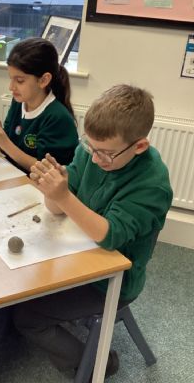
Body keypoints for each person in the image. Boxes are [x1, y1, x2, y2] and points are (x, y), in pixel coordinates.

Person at [12, 84, 173, 378]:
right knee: (16, 284)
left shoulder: (152, 185)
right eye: (91, 147)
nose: (96, 159)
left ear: (139, 146)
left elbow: (109, 236)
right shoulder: (93, 151)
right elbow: (57, 208)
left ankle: (101, 363)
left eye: (106, 154)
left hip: (112, 281)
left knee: (27, 316)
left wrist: (63, 196)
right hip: (79, 253)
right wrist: (53, 188)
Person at [0, 37, 79, 173]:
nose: (11, 87)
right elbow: (11, 151)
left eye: (19, 81)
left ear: (44, 80)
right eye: (11, 79)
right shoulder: (19, 102)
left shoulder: (57, 117)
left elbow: (47, 171)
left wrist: (4, 143)